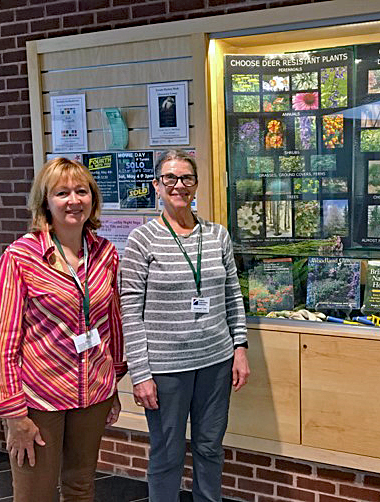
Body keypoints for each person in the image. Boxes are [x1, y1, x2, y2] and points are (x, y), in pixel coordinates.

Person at [0, 157, 126, 502]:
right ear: (45, 201)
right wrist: (13, 414)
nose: (73, 200)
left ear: (92, 198)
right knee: (36, 494)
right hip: (39, 399)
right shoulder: (20, 257)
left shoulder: (105, 253)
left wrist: (113, 382)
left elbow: (111, 324)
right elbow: (2, 343)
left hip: (92, 393)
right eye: (62, 192)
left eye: (81, 191)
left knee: (81, 486)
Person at [120, 149, 250, 502]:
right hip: (166, 370)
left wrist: (240, 348)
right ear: (157, 186)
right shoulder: (141, 240)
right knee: (167, 454)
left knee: (210, 448)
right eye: (170, 178)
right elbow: (129, 310)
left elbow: (232, 295)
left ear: (196, 185)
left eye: (186, 178)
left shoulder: (217, 235)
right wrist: (141, 373)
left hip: (216, 361)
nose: (179, 185)